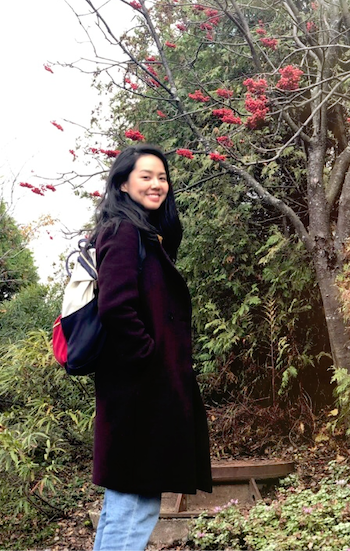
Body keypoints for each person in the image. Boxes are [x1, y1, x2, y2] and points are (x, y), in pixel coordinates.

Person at [90, 144, 212, 551]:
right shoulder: (124, 231)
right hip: (140, 392)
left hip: (140, 392)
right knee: (136, 502)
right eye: (146, 176)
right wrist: (150, 359)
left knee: (125, 501)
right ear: (123, 183)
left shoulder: (142, 232)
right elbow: (115, 307)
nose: (157, 184)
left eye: (162, 177)